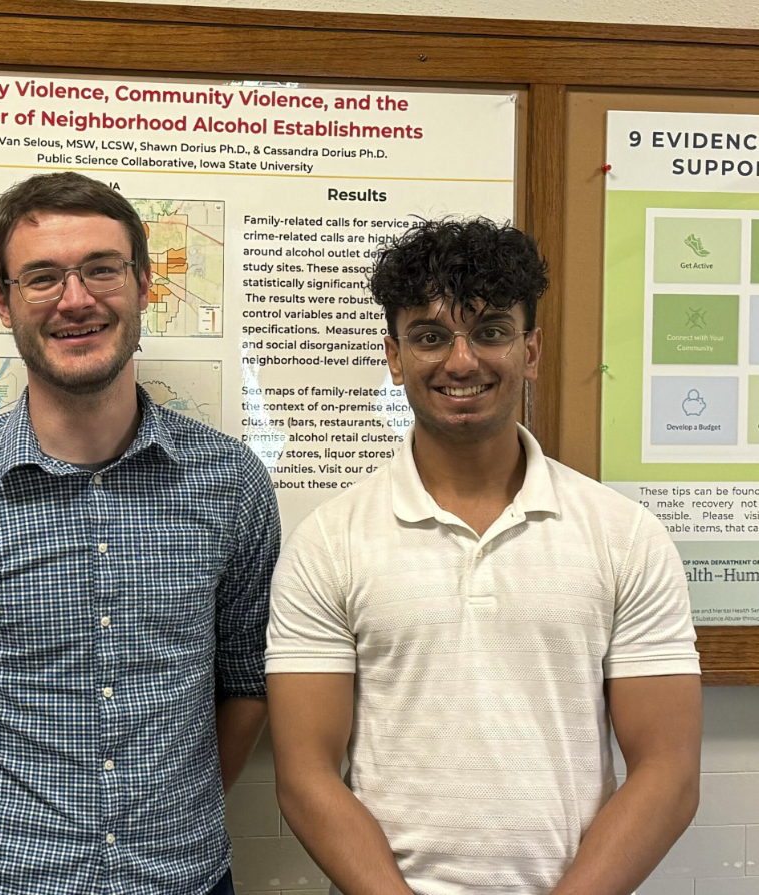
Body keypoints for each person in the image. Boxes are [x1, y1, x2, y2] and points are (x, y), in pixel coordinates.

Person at [266, 218, 702, 895]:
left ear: (531, 350)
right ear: (394, 356)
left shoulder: (625, 536)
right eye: (430, 336)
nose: (462, 361)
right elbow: (304, 774)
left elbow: (668, 774)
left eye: (491, 331)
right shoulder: (328, 542)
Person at [0, 172, 281, 895]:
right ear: (3, 302)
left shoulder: (232, 483)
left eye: (101, 269)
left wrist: (174, 826)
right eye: (42, 277)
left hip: (181, 880)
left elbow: (247, 681)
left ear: (145, 283)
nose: (76, 299)